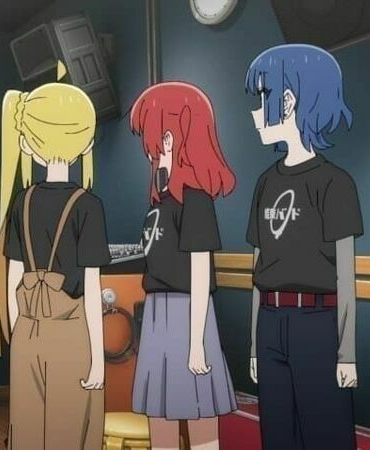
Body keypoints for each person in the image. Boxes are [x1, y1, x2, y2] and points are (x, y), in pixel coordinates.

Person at [244, 43, 362, 450]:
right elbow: (257, 269)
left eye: (264, 97)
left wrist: (347, 353)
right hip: (270, 322)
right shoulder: (265, 182)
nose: (255, 112)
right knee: (277, 435)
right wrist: (255, 346)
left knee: (325, 435)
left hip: (317, 324)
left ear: (289, 100)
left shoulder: (336, 183)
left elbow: (345, 276)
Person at [0, 71, 110, 450]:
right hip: (70, 333)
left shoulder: (21, 201)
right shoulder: (88, 205)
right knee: (70, 432)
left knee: (27, 431)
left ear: (27, 143)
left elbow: (14, 276)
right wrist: (98, 358)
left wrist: (19, 331)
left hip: (27, 331)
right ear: (86, 141)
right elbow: (92, 288)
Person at [129, 81, 238, 450]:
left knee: (198, 411)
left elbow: (200, 273)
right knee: (159, 416)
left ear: (170, 138)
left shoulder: (197, 200)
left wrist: (196, 344)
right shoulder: (159, 202)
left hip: (188, 314)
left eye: (151, 139)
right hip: (157, 313)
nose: (148, 150)